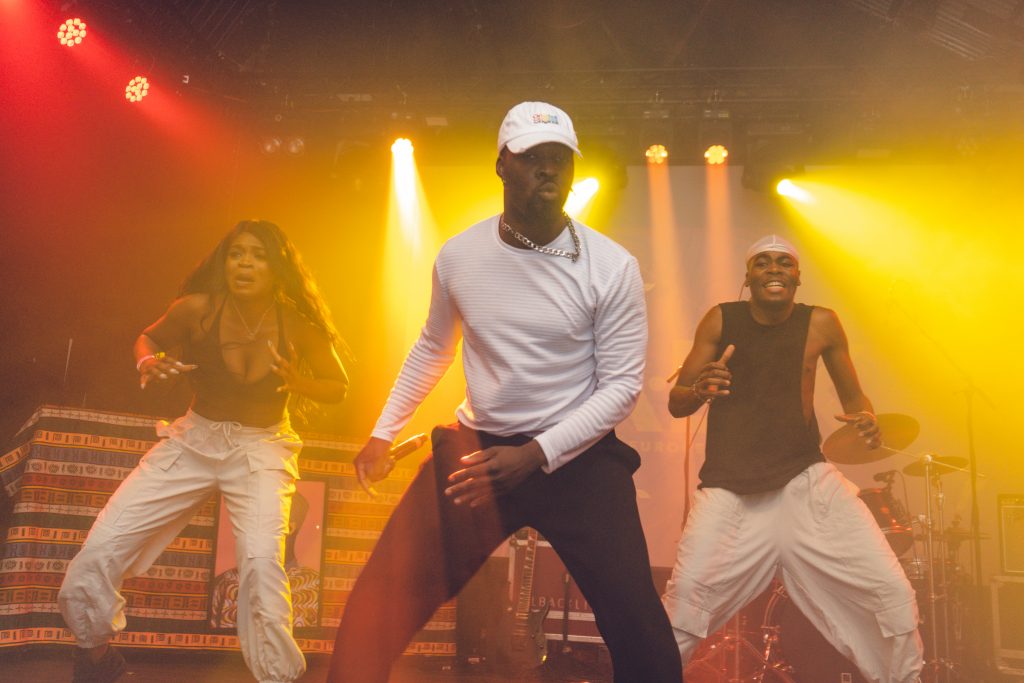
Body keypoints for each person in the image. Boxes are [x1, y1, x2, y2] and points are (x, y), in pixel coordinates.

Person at [326, 101, 682, 683]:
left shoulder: (611, 267)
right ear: (502, 165)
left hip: (578, 460)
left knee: (640, 629)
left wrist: (535, 455)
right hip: (478, 452)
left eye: (560, 160)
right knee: (377, 606)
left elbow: (620, 388)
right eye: (532, 157)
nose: (548, 170)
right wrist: (382, 431)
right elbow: (432, 347)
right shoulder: (460, 256)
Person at [58, 220, 349, 683]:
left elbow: (338, 386)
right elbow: (148, 338)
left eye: (257, 255)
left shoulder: (298, 325)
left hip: (260, 450)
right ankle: (95, 658)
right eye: (237, 254)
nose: (245, 263)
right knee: (101, 549)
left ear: (277, 268)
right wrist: (148, 361)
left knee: (260, 566)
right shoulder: (196, 310)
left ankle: (277, 677)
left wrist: (302, 383)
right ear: (224, 263)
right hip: (194, 442)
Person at [661, 235, 923, 683]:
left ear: (797, 276)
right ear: (749, 277)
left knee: (890, 591)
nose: (774, 269)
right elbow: (677, 400)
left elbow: (854, 397)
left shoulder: (821, 323)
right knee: (685, 601)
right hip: (730, 492)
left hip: (806, 483)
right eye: (762, 263)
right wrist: (700, 388)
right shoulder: (720, 319)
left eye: (784, 262)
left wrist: (866, 419)